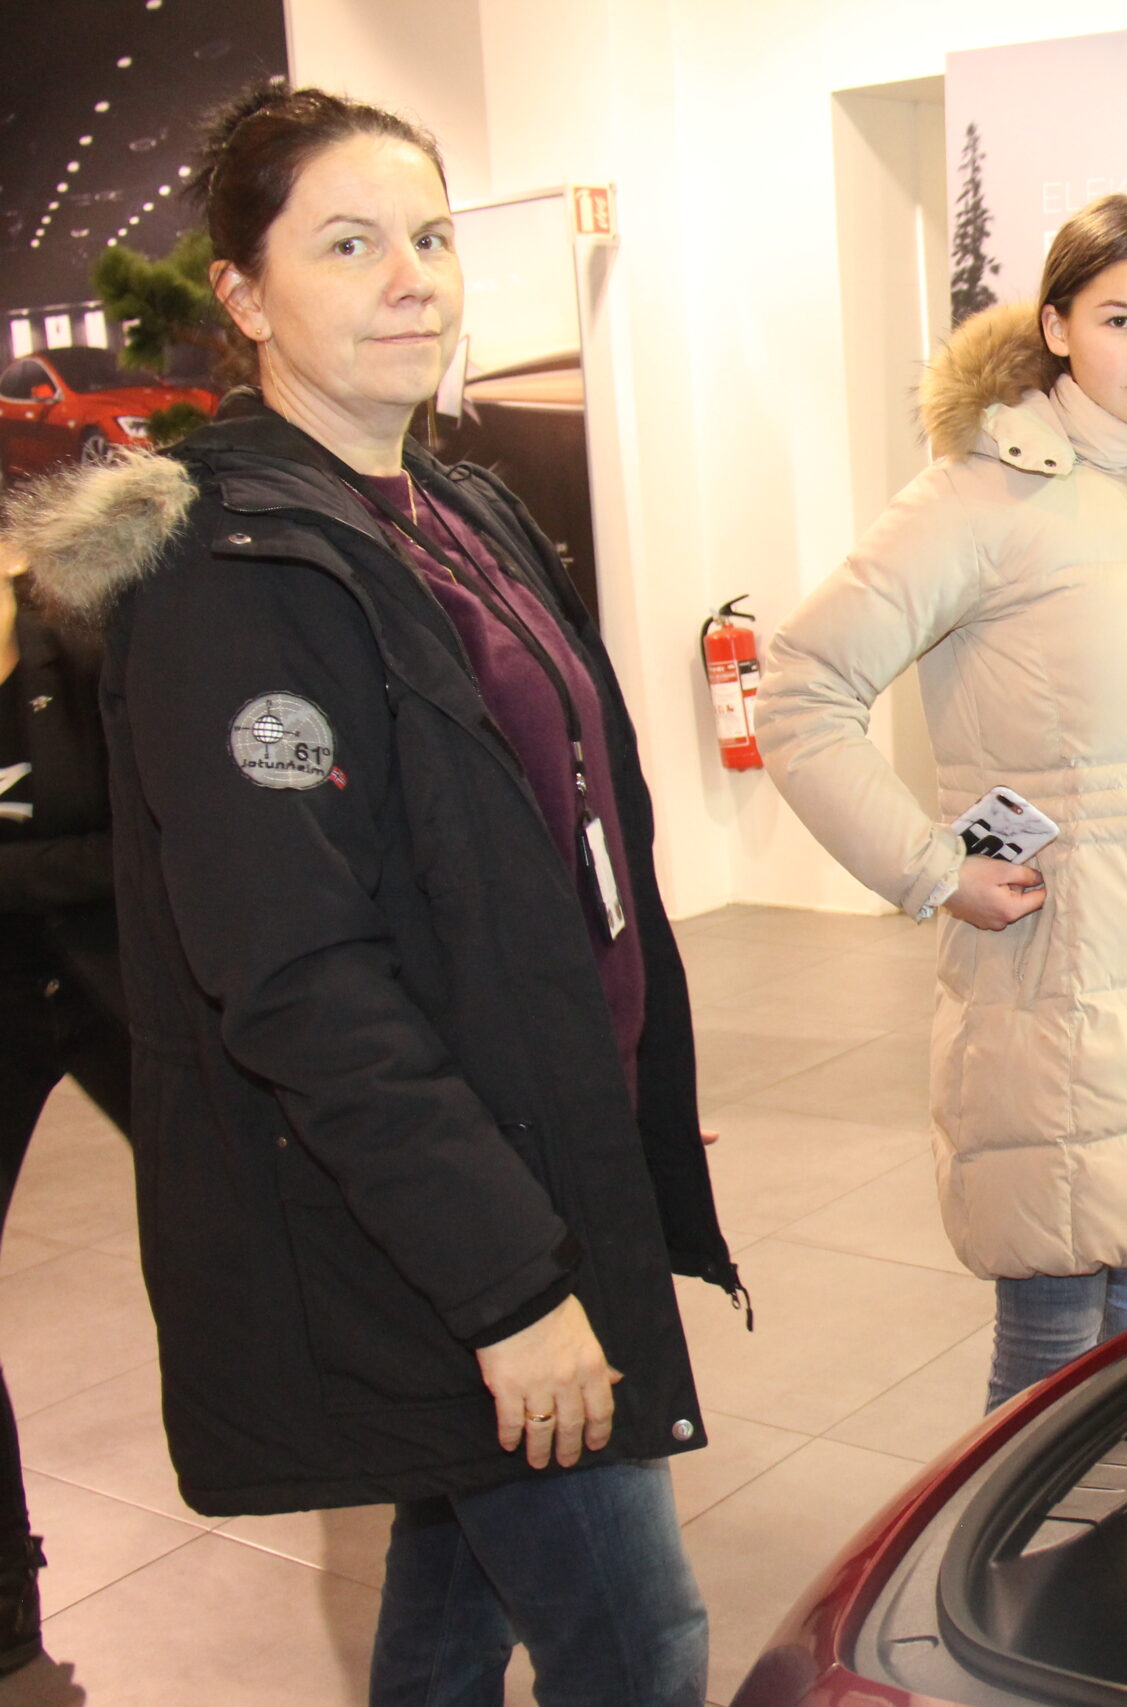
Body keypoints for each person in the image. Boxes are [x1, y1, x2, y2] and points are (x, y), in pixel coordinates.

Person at [2, 87, 738, 1706]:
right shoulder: (228, 573)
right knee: (640, 1642)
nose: (413, 277)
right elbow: (294, 972)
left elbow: (561, 847)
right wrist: (508, 1284)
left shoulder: (454, 508)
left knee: (456, 1602)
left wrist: (615, 1091)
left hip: (525, 1147)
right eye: (348, 244)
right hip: (431, 1214)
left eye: (430, 235)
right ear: (246, 296)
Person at [758, 194, 1127, 1411]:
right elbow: (800, 689)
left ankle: (1115, 1528)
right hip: (1058, 958)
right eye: (1120, 319)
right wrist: (930, 868)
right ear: (1056, 327)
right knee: (1053, 1342)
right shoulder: (979, 495)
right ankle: (1011, 1533)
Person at [0, 546, 129, 1673]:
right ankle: (6, 1603)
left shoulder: (79, 629)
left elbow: (157, 830)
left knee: (284, 1221)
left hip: (121, 985)